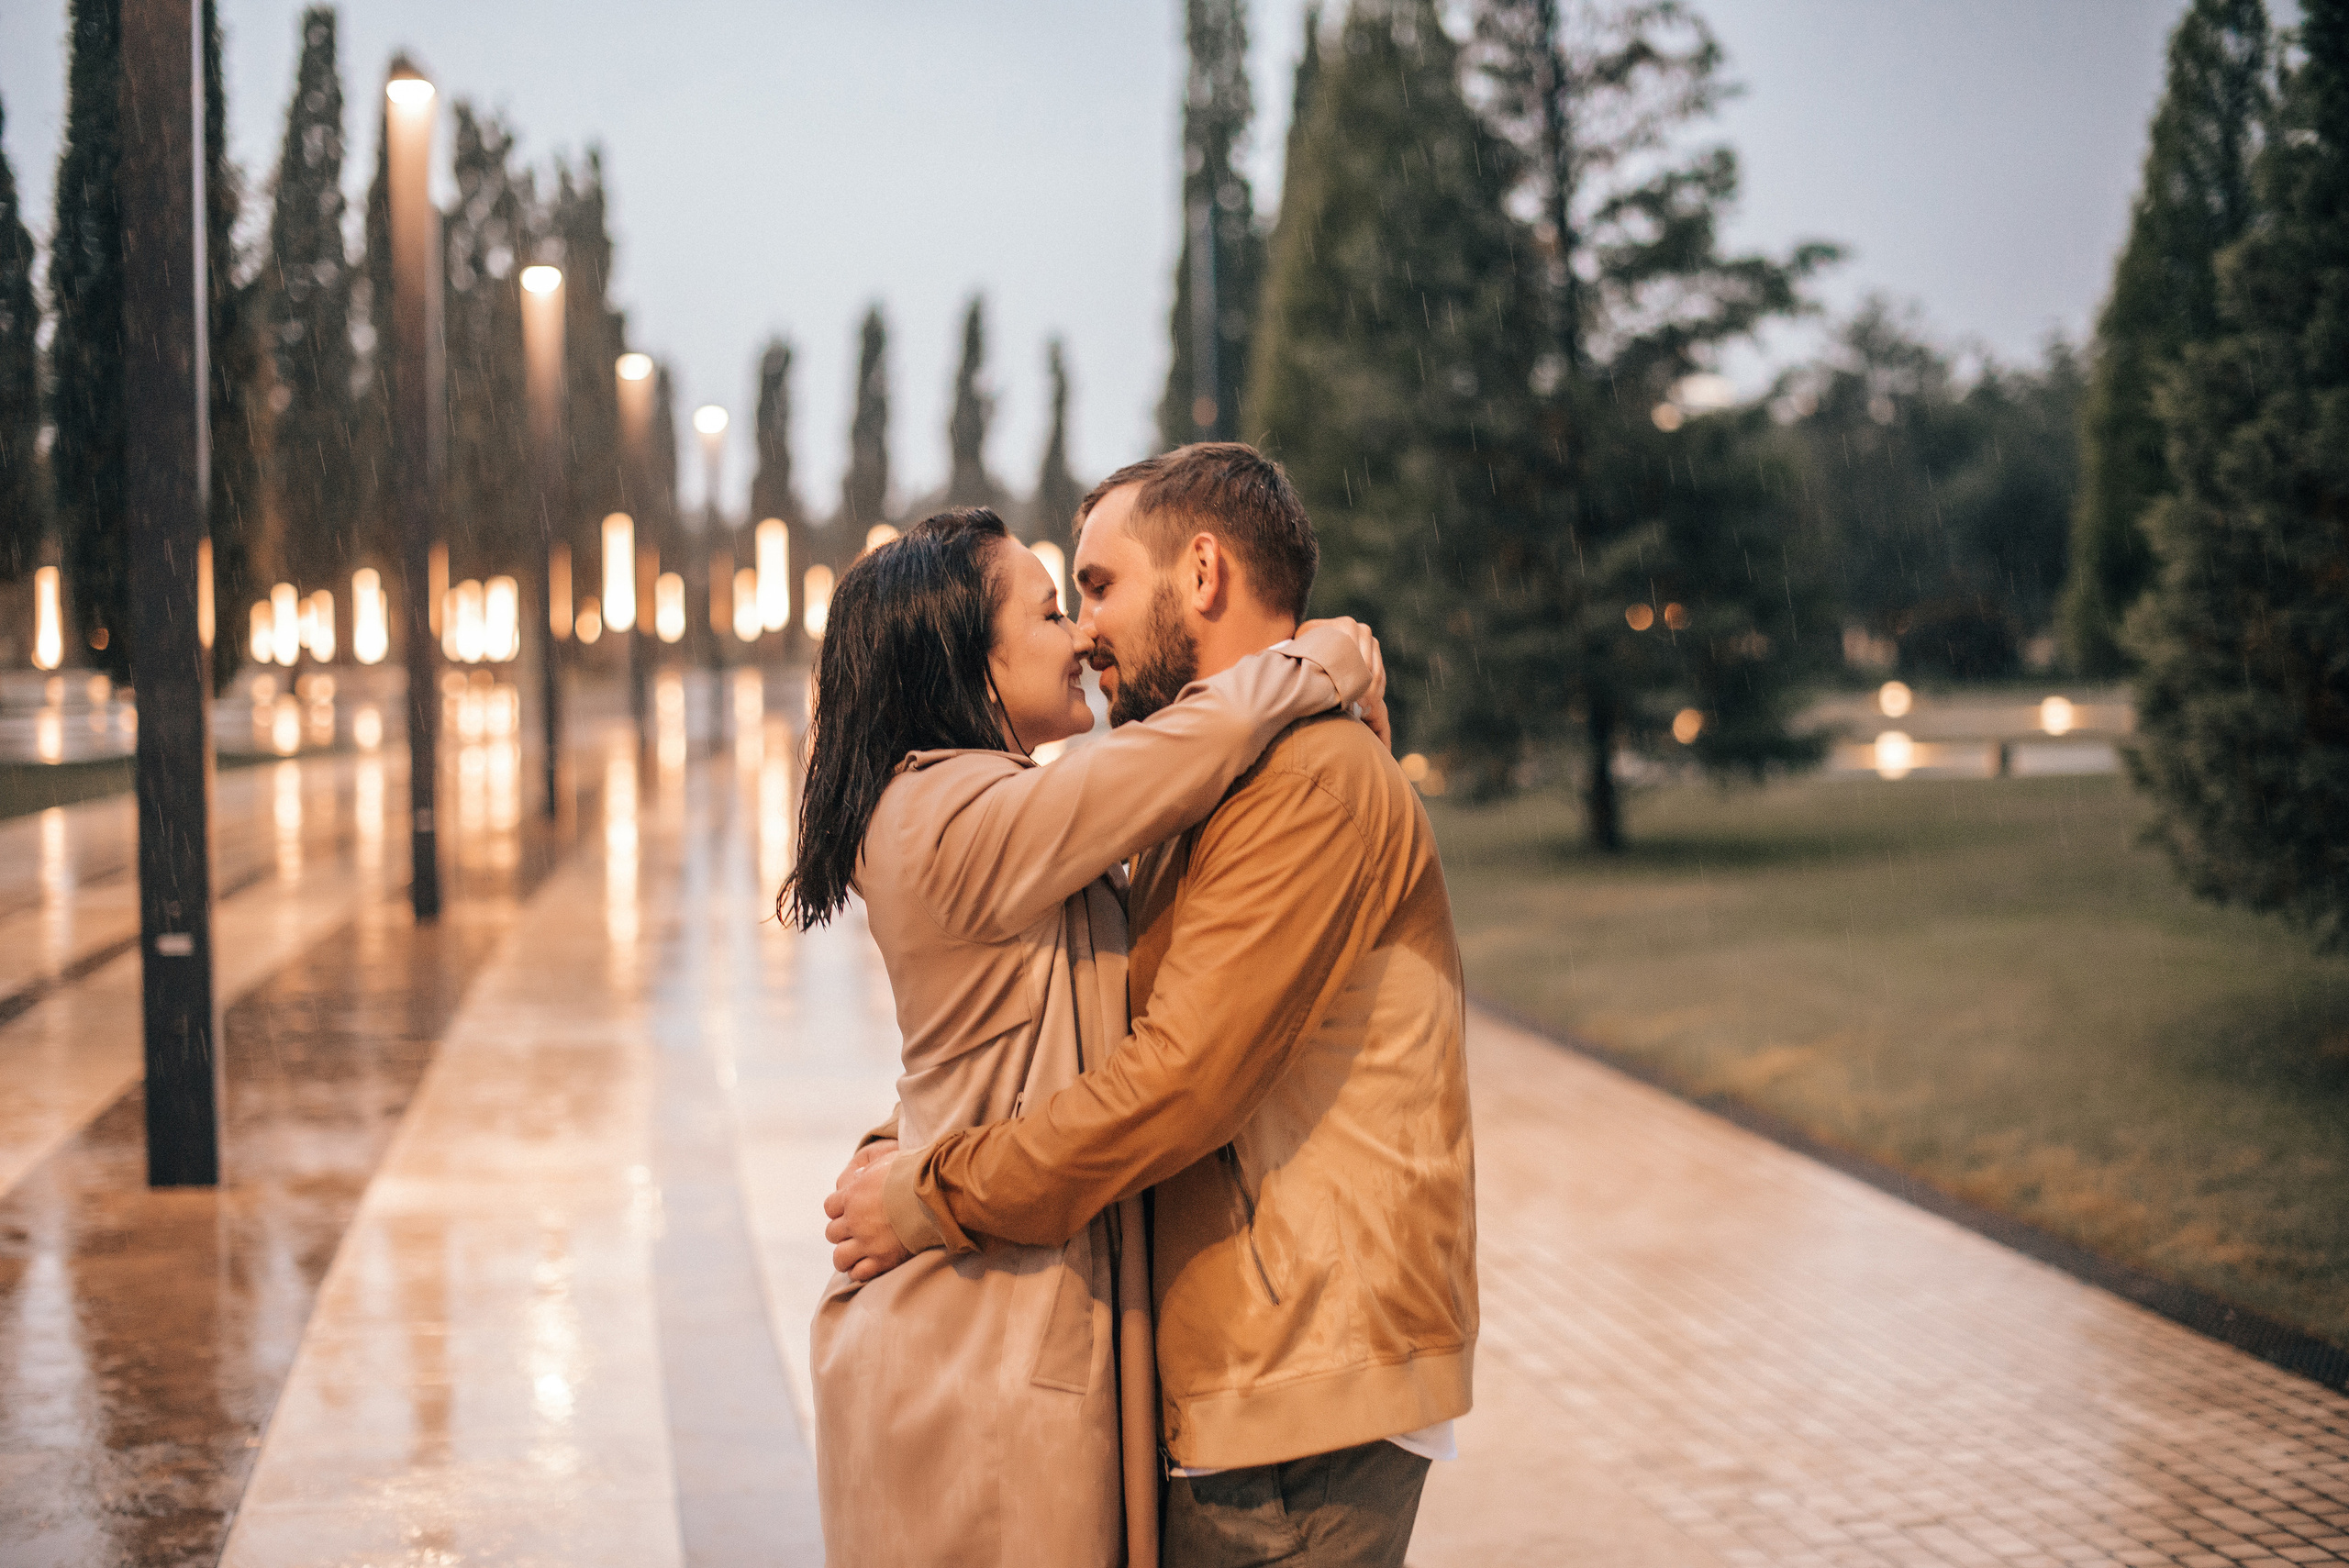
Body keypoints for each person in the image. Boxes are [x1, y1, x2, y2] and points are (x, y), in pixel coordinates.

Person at [829, 445, 1477, 1568]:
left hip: (1295, 1378)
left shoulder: (1305, 778)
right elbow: (1068, 1020)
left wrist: (929, 1182)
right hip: (1224, 1369)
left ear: (1205, 573)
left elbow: (1176, 1080)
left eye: (1096, 584)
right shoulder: (1142, 784)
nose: (1083, 630)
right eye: (1061, 600)